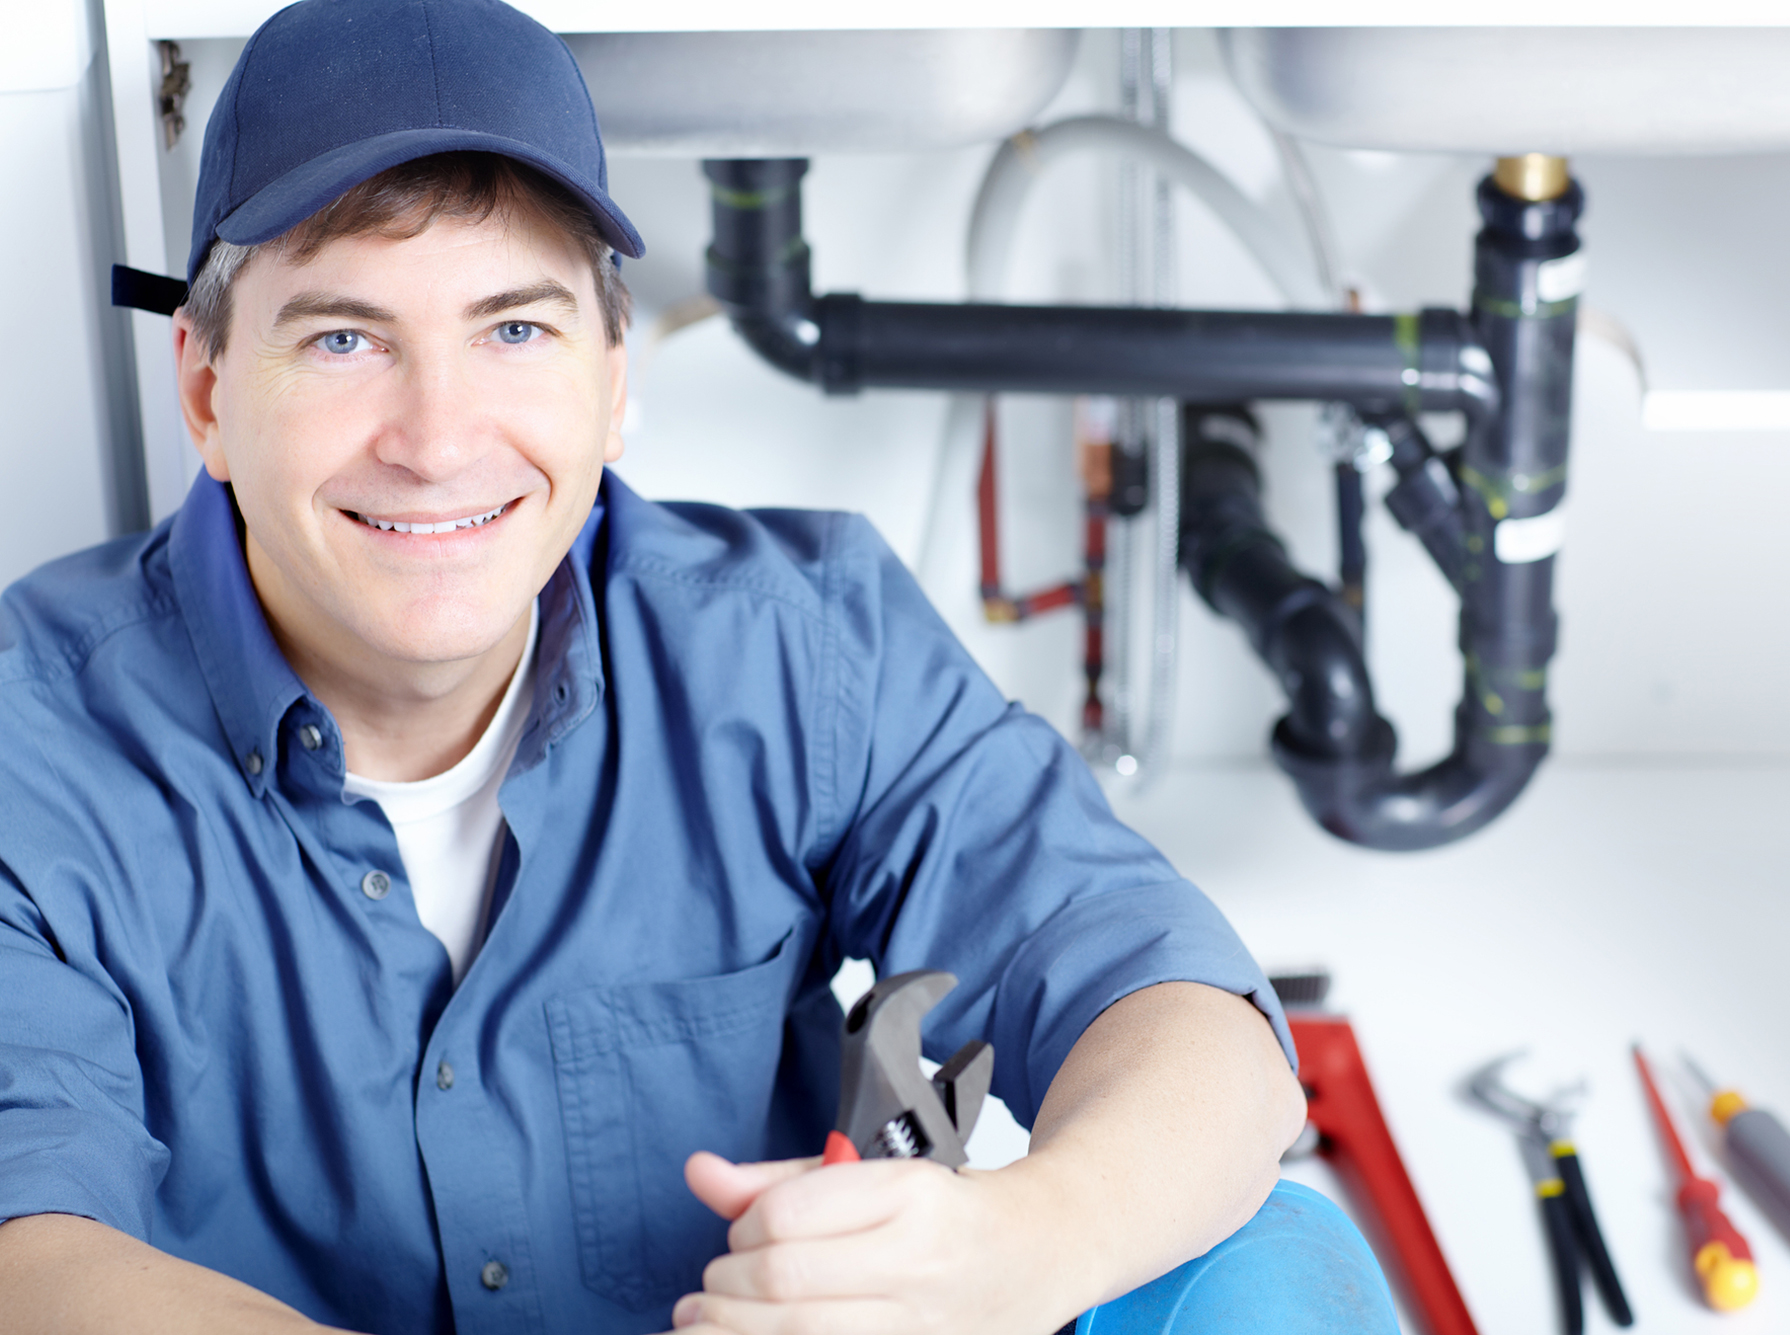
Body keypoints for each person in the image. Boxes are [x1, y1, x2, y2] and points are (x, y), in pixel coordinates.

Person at [0, 2, 1394, 1332]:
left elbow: (1169, 1003)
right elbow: (28, 1256)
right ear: (207, 390)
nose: (435, 438)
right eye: (346, 338)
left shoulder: (797, 645)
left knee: (1268, 1257)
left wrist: (1020, 1247)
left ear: (614, 381)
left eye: (514, 329)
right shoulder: (32, 741)